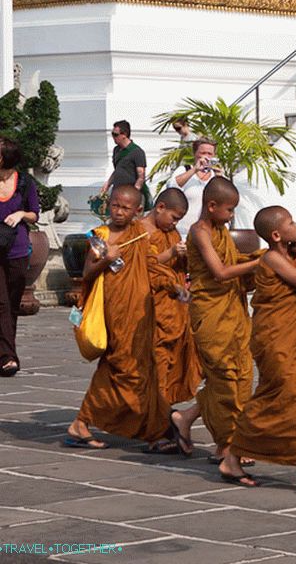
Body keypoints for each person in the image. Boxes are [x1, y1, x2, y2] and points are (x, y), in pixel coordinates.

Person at [220, 206, 296, 493]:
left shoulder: (286, 255)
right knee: (294, 396)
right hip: (276, 340)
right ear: (277, 234)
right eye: (291, 223)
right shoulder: (274, 258)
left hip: (292, 337)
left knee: (273, 398)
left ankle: (231, 457)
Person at [64, 185, 192, 453]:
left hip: (140, 314)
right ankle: (152, 432)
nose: (119, 212)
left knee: (132, 370)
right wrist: (106, 258)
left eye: (125, 208)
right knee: (127, 370)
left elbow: (151, 267)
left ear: (137, 211)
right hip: (116, 313)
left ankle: (84, 424)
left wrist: (173, 286)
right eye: (115, 206)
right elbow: (86, 272)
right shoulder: (101, 236)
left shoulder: (139, 235)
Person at [187, 177, 260, 467]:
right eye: (229, 210)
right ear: (211, 205)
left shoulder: (219, 231)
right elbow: (219, 272)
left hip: (233, 312)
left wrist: (254, 261)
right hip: (211, 314)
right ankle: (225, 444)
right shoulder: (199, 232)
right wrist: (260, 263)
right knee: (224, 379)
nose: (231, 217)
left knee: (242, 377)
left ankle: (230, 441)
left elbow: (233, 264)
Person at [141, 188, 203, 408]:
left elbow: (178, 267)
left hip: (176, 305)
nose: (175, 224)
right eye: (174, 218)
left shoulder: (172, 234)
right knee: (158, 357)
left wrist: (185, 256)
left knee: (173, 358)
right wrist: (171, 253)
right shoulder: (140, 231)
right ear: (160, 207)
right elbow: (142, 266)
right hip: (151, 306)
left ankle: (162, 404)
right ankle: (155, 408)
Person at [0, 138, 39, 377]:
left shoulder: (25, 182)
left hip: (16, 249)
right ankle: (8, 358)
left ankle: (5, 350)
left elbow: (35, 214)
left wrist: (21, 213)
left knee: (12, 304)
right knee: (1, 304)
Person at [166, 138, 222, 237]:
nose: (206, 157)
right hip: (183, 233)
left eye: (210, 154)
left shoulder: (216, 176)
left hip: (208, 233)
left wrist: (220, 178)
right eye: (203, 153)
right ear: (195, 154)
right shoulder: (185, 170)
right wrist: (195, 169)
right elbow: (172, 186)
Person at [101, 121, 148, 206]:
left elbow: (141, 177)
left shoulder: (137, 152)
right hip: (118, 193)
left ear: (124, 135)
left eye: (115, 134)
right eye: (112, 134)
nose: (113, 137)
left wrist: (134, 193)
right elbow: (118, 170)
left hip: (130, 194)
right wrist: (108, 183)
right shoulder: (116, 150)